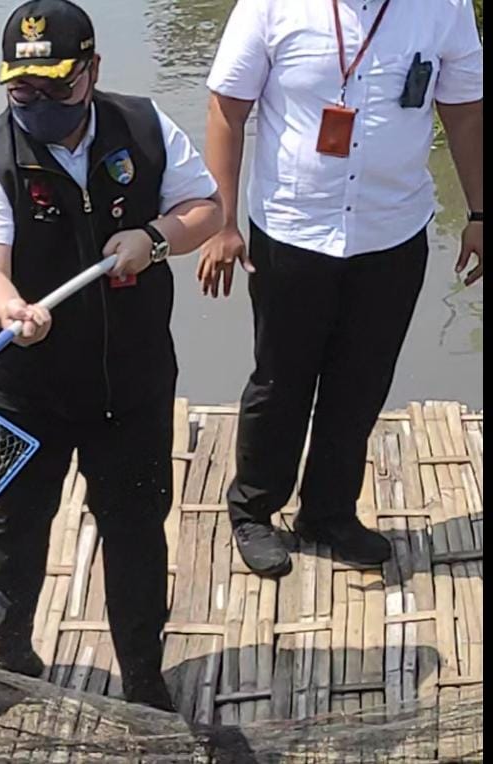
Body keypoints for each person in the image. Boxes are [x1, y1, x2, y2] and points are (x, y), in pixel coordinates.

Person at [0, 0, 224, 710]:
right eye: (22, 90)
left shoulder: (145, 128)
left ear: (92, 72)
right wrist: (8, 305)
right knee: (17, 523)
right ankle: (11, 655)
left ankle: (141, 674)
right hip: (25, 388)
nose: (38, 104)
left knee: (135, 527)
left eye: (57, 87)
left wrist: (155, 238)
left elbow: (206, 208)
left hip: (128, 383)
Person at [199, 0, 483, 577]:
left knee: (361, 381)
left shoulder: (443, 9)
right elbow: (227, 110)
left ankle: (328, 513)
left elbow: (465, 111)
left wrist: (480, 211)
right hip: (291, 228)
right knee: (281, 379)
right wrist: (222, 223)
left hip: (392, 229)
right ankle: (254, 510)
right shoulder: (271, 6)